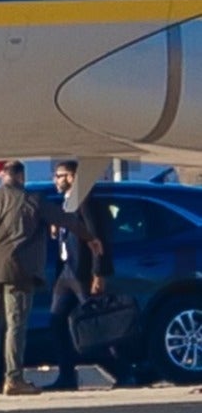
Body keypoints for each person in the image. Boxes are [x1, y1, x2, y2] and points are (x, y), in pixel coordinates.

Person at [0, 161, 103, 396]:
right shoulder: (33, 200)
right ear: (21, 177)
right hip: (18, 269)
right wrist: (90, 238)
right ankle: (13, 379)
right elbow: (68, 220)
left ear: (4, 177)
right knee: (15, 324)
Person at [43, 161, 130, 391]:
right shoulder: (67, 202)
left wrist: (98, 273)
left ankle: (123, 372)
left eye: (59, 175)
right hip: (66, 271)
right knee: (57, 321)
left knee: (97, 322)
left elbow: (96, 238)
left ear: (71, 177)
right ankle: (67, 377)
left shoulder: (85, 201)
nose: (55, 180)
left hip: (82, 273)